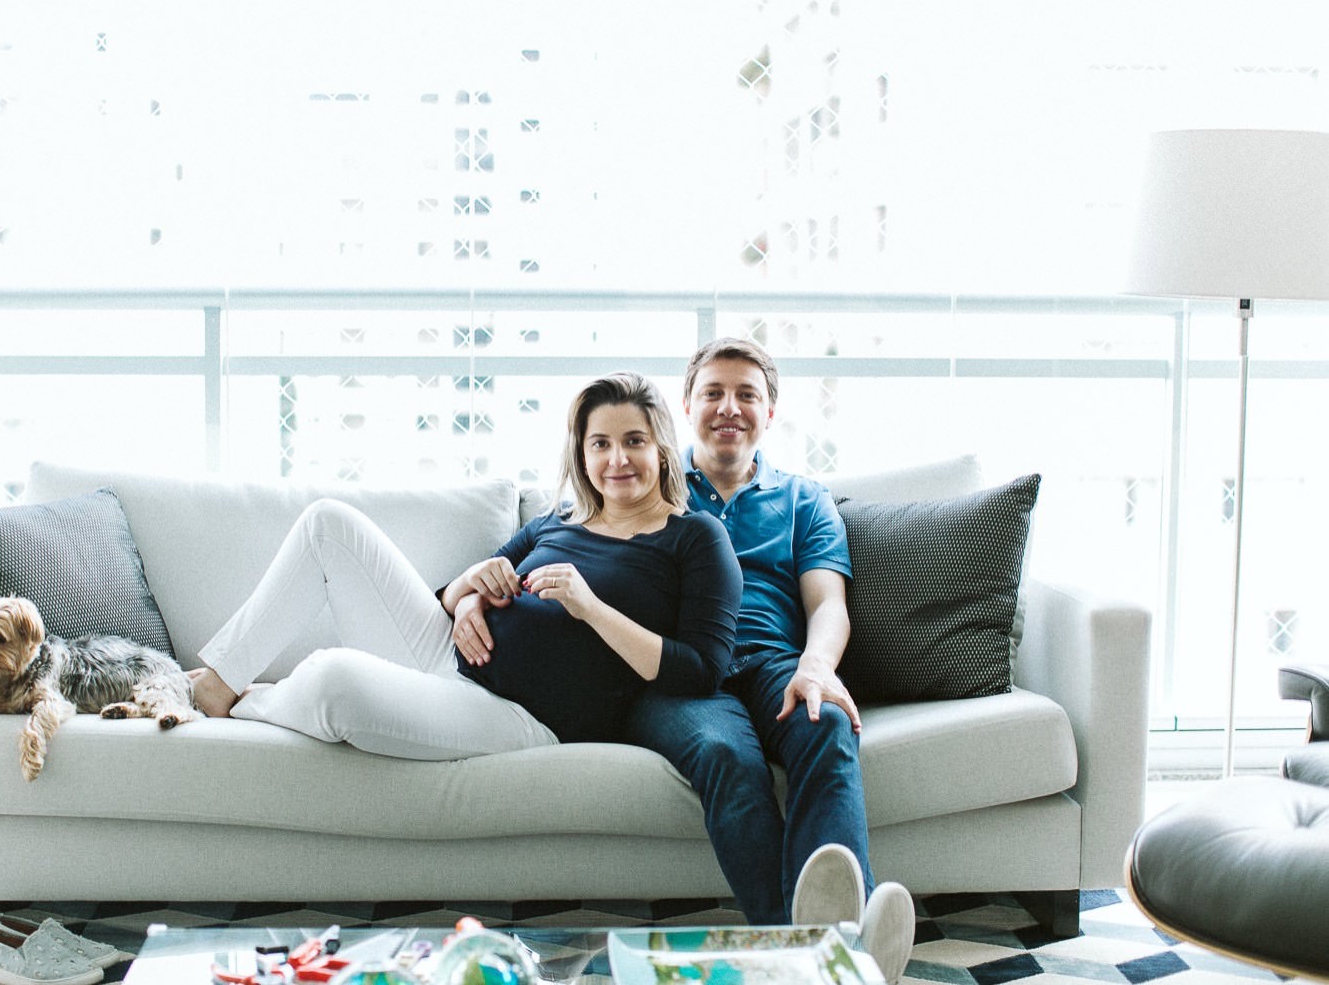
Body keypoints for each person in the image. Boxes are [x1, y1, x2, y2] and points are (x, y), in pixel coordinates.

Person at [187, 372, 742, 764]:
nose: (617, 459)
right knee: (328, 522)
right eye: (601, 444)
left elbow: (701, 670)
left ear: (661, 449)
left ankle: (249, 702)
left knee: (335, 679)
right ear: (582, 453)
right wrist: (467, 591)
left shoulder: (694, 537)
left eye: (634, 441)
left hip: (518, 715)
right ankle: (218, 684)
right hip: (441, 654)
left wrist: (591, 608)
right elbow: (448, 596)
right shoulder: (557, 521)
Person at [620, 338, 916, 982]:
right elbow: (560, 538)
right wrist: (471, 585)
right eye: (714, 393)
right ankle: (829, 957)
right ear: (687, 407)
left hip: (775, 662)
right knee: (725, 755)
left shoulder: (805, 499)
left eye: (746, 395)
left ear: (770, 412)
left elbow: (828, 603)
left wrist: (817, 667)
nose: (729, 407)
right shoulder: (647, 485)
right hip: (684, 673)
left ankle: (816, 952)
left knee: (826, 721)